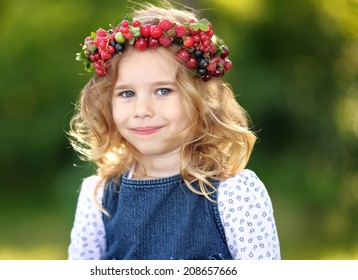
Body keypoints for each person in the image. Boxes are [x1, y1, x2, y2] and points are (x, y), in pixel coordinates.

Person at [67, 1, 280, 260]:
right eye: (127, 93)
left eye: (163, 90)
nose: (142, 109)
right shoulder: (99, 198)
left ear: (202, 99)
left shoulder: (234, 195)